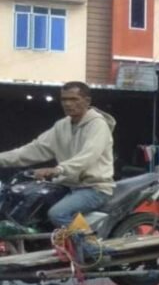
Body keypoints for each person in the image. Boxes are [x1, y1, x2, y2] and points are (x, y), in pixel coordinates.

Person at [0, 82, 116, 228]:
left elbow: (88, 156)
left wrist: (58, 169)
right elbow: (34, 149)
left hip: (93, 188)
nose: (68, 104)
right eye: (64, 99)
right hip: (66, 185)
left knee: (58, 214)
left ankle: (91, 247)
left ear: (87, 101)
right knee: (29, 202)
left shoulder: (98, 125)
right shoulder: (62, 126)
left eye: (74, 99)